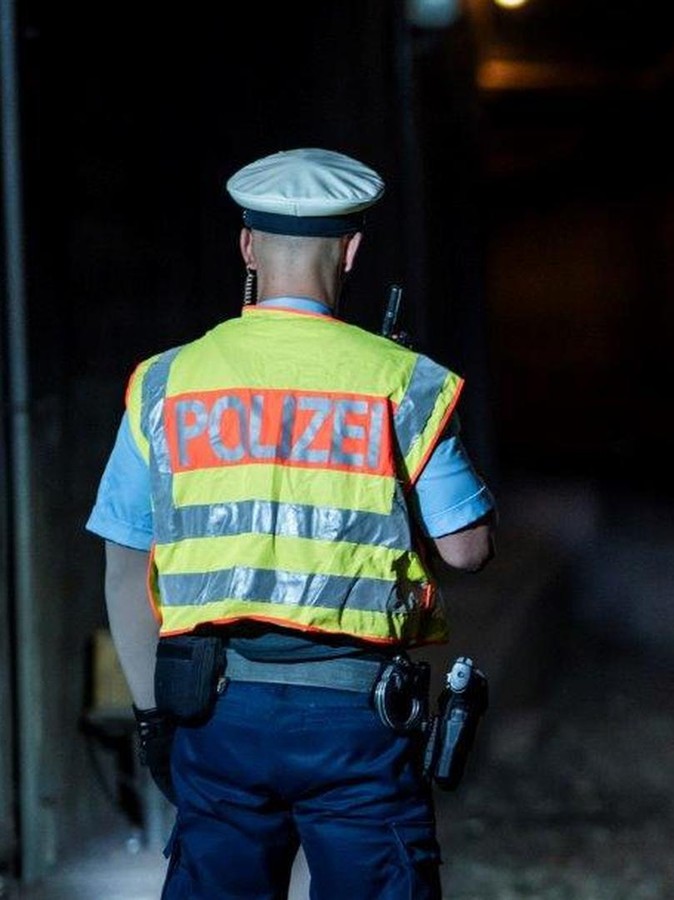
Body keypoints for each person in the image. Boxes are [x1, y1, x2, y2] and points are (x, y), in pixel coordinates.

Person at [85, 147, 496, 899]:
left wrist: (152, 722)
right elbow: (467, 550)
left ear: (247, 246)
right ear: (352, 250)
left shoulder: (165, 381)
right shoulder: (403, 382)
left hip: (213, 715)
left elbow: (122, 567)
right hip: (358, 725)